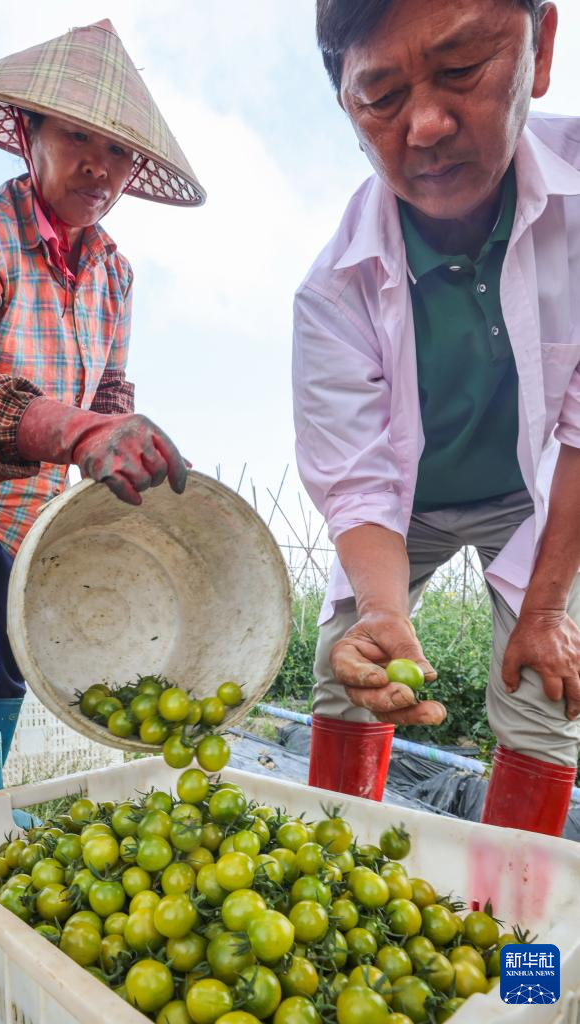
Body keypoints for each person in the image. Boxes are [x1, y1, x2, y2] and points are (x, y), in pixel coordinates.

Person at [0, 19, 205, 803]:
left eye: (119, 150)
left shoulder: (114, 273)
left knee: (12, 666)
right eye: (76, 136)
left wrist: (117, 434)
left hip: (28, 514)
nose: (99, 165)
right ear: (26, 134)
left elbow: (110, 390)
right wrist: (77, 432)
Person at [293, 0, 580, 835]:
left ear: (538, 50)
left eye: (459, 69)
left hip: (536, 495)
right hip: (403, 502)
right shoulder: (331, 293)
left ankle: (509, 909)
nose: (423, 126)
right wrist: (381, 613)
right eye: (380, 97)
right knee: (347, 666)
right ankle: (335, 871)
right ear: (347, 109)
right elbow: (357, 483)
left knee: (543, 687)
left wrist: (545, 610)